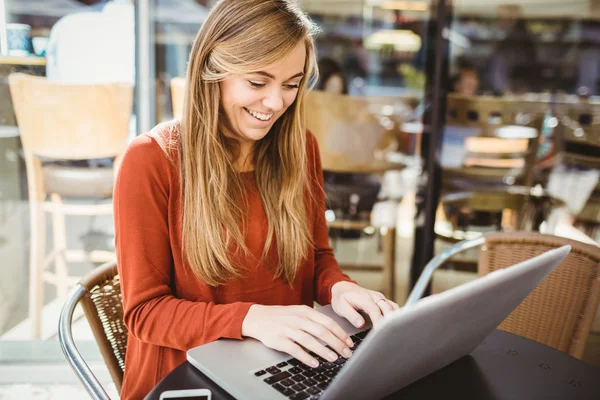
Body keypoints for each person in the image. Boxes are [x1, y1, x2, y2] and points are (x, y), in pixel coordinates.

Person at [113, 1, 399, 398]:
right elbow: (145, 314)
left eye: (291, 83)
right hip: (185, 380)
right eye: (257, 82)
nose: (276, 103)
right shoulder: (150, 160)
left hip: (278, 364)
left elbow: (315, 258)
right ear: (214, 72)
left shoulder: (301, 149)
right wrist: (251, 319)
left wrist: (339, 288)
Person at [45, 0, 134, 84]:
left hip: (74, 98)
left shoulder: (66, 26)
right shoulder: (143, 28)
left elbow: (54, 84)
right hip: (126, 98)